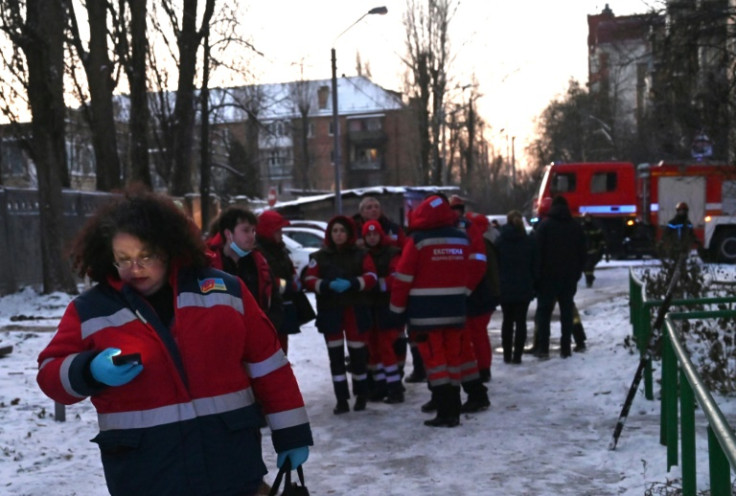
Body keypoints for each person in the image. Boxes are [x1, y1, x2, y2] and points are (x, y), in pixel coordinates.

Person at [36, 188, 312, 496]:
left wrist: (292, 433)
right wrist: (89, 371)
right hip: (146, 474)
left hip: (229, 465)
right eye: (122, 259)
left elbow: (269, 366)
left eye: (145, 256)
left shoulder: (224, 291)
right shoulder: (91, 309)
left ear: (168, 249)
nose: (135, 269)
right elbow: (50, 373)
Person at [390, 195, 472, 428]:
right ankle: (453, 409)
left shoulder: (418, 240)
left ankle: (445, 412)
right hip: (456, 311)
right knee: (453, 360)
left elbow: (403, 278)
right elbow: (468, 273)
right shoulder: (462, 239)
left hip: (425, 314)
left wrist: (396, 310)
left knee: (435, 362)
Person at [303, 215, 378, 414]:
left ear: (349, 233)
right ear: (329, 234)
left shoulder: (361, 254)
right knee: (335, 358)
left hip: (355, 311)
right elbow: (308, 279)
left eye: (342, 231)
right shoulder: (318, 257)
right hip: (331, 312)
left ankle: (361, 396)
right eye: (335, 231)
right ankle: (341, 399)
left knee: (358, 357)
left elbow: (372, 276)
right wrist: (326, 285)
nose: (338, 234)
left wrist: (353, 283)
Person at [206, 206, 283, 333]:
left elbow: (275, 302)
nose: (252, 236)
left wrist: (266, 328)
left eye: (253, 231)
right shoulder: (209, 264)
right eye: (246, 231)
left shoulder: (259, 263)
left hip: (256, 340)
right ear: (228, 234)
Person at [256, 209, 315, 355]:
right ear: (268, 231)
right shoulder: (259, 252)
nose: (281, 233)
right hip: (269, 310)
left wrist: (295, 278)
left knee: (282, 349)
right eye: (278, 230)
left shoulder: (279, 248)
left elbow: (288, 268)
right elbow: (266, 280)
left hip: (282, 308)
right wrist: (287, 285)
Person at [534, 195, 586, 359]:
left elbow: (537, 253)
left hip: (547, 278)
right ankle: (566, 348)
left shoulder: (544, 227)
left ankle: (543, 348)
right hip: (569, 278)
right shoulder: (575, 227)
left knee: (544, 313)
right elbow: (582, 253)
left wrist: (537, 276)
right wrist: (576, 273)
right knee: (567, 312)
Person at [362, 220, 405, 404]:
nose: (372, 238)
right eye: (368, 235)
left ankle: (395, 388)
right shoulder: (363, 254)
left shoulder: (392, 253)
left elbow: (396, 278)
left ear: (381, 235)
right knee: (373, 349)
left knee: (386, 347)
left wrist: (374, 284)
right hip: (370, 307)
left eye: (375, 234)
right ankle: (380, 386)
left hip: (386, 306)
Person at [495, 210, 539, 364]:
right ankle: (517, 356)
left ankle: (507, 355)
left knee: (507, 321)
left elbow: (496, 265)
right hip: (524, 286)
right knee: (521, 321)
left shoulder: (500, 241)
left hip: (505, 286)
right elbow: (535, 266)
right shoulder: (529, 242)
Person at [581, 213, 607, 288]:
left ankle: (589, 281)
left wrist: (600, 247)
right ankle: (590, 278)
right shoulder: (581, 228)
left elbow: (601, 238)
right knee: (586, 267)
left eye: (589, 218)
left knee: (589, 266)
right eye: (586, 218)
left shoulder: (595, 228)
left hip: (593, 250)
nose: (587, 219)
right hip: (584, 251)